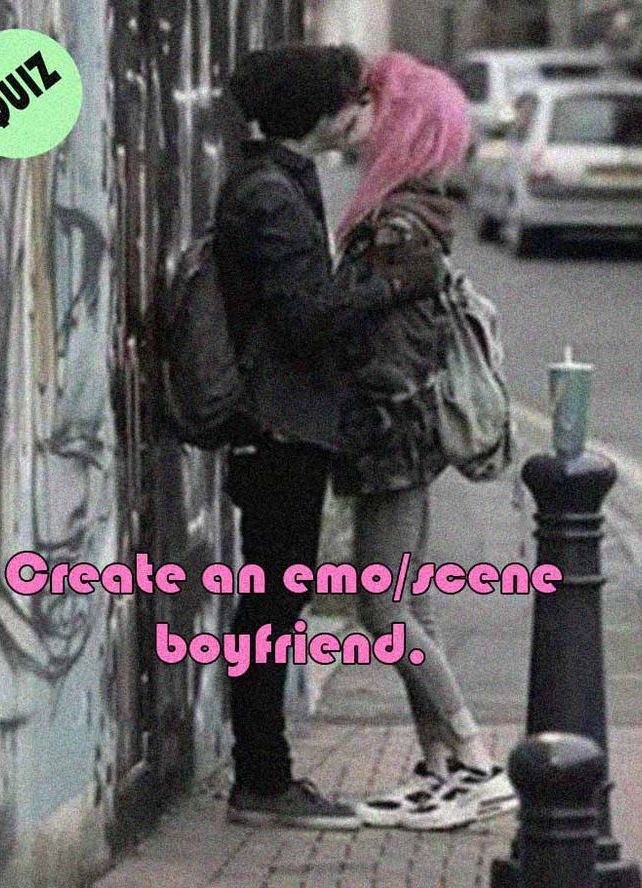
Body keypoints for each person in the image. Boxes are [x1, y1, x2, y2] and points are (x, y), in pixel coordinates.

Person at [213, 45, 433, 830]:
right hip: (277, 427)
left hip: (289, 422)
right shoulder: (269, 195)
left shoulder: (280, 180)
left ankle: (263, 773)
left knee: (275, 597)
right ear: (318, 113)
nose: (361, 113)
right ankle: (262, 779)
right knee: (271, 603)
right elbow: (305, 316)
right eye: (351, 101)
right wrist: (390, 287)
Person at [332, 52, 518, 831]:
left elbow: (393, 353)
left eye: (372, 105)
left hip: (392, 441)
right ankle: (437, 765)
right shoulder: (419, 211)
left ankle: (476, 761)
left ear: (400, 121)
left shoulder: (396, 225)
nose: (359, 119)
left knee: (383, 604)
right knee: (410, 602)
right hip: (409, 438)